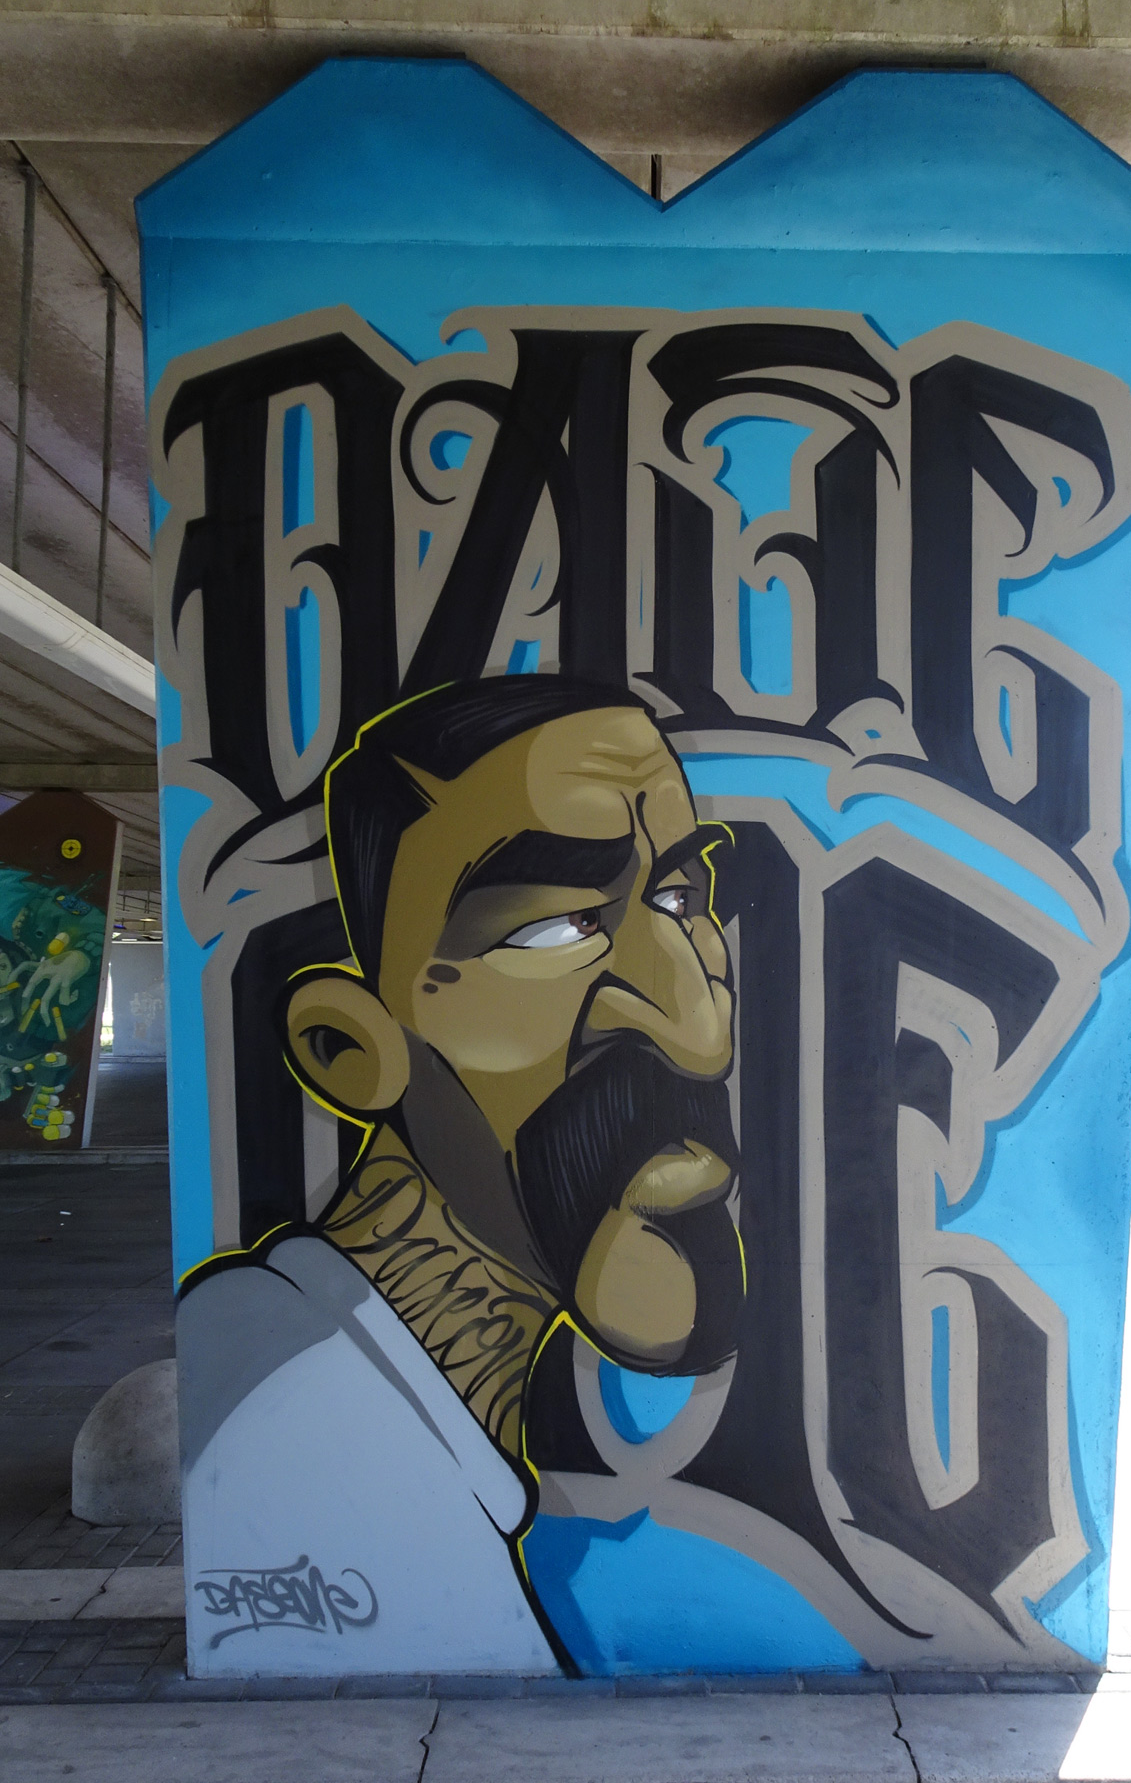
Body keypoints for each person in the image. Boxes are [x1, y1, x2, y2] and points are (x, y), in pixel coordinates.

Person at [177, 675, 745, 1676]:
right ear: (351, 1049)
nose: (694, 1025)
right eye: (553, 927)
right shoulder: (286, 1434)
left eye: (678, 898)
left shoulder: (384, 1434)